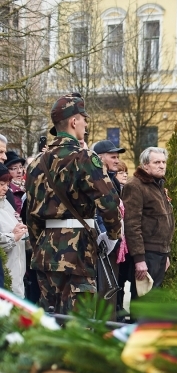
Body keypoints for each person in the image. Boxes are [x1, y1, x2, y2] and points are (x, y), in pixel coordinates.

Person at [26, 92, 121, 313]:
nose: (86, 124)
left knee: (50, 325)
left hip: (45, 252)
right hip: (78, 251)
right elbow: (110, 203)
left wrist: (41, 243)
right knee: (79, 327)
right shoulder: (85, 157)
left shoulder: (36, 164)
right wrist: (113, 236)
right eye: (84, 119)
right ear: (74, 121)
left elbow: (31, 215)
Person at [122, 147, 175, 298]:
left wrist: (166, 253)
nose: (162, 165)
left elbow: (164, 221)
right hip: (146, 253)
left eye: (164, 162)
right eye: (157, 162)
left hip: (160, 253)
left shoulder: (158, 184)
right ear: (145, 165)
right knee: (143, 299)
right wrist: (139, 259)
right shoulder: (135, 185)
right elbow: (132, 225)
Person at [92, 139, 126, 302]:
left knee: (110, 295)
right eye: (112, 157)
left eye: (117, 157)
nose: (117, 160)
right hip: (102, 242)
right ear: (99, 157)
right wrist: (106, 237)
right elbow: (98, 211)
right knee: (103, 294)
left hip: (113, 240)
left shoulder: (112, 180)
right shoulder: (97, 178)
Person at [0, 165, 27, 296]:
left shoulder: (6, 204)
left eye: (7, 184)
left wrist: (18, 230)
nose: (5, 188)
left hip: (17, 278)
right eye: (1, 184)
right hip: (5, 279)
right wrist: (12, 237)